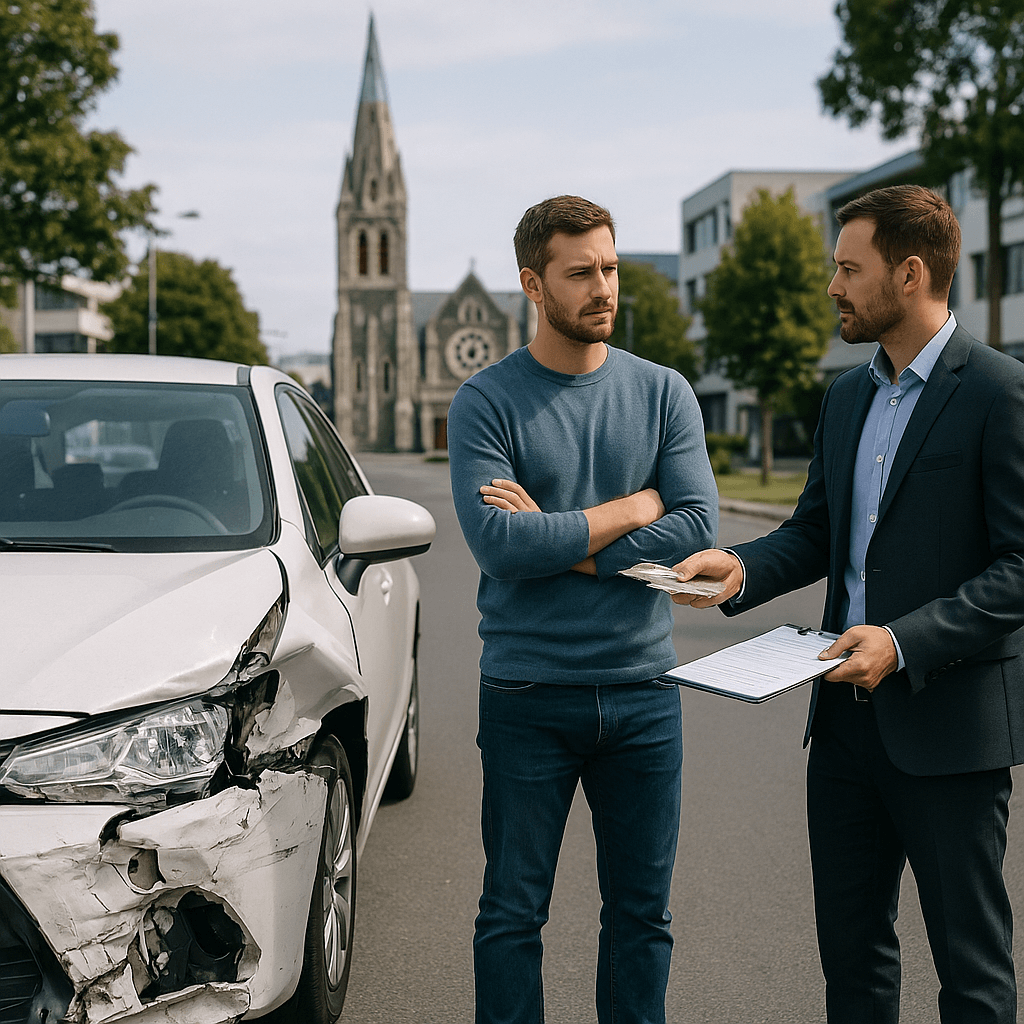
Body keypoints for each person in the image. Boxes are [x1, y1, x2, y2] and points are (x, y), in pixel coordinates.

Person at [672, 184, 1024, 1023]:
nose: (832, 286)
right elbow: (815, 530)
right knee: (854, 965)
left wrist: (902, 642)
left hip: (949, 731)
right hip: (841, 730)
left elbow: (1018, 565)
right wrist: (741, 566)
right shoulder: (846, 397)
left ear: (908, 274)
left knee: (972, 975)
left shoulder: (999, 394)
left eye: (847, 268)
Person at [447, 195, 718, 1024]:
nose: (603, 287)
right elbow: (501, 547)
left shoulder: (664, 391)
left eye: (609, 268)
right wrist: (634, 511)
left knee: (642, 917)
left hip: (645, 693)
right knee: (511, 917)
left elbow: (699, 526)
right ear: (534, 283)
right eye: (580, 273)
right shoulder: (485, 401)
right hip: (530, 694)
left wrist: (574, 545)